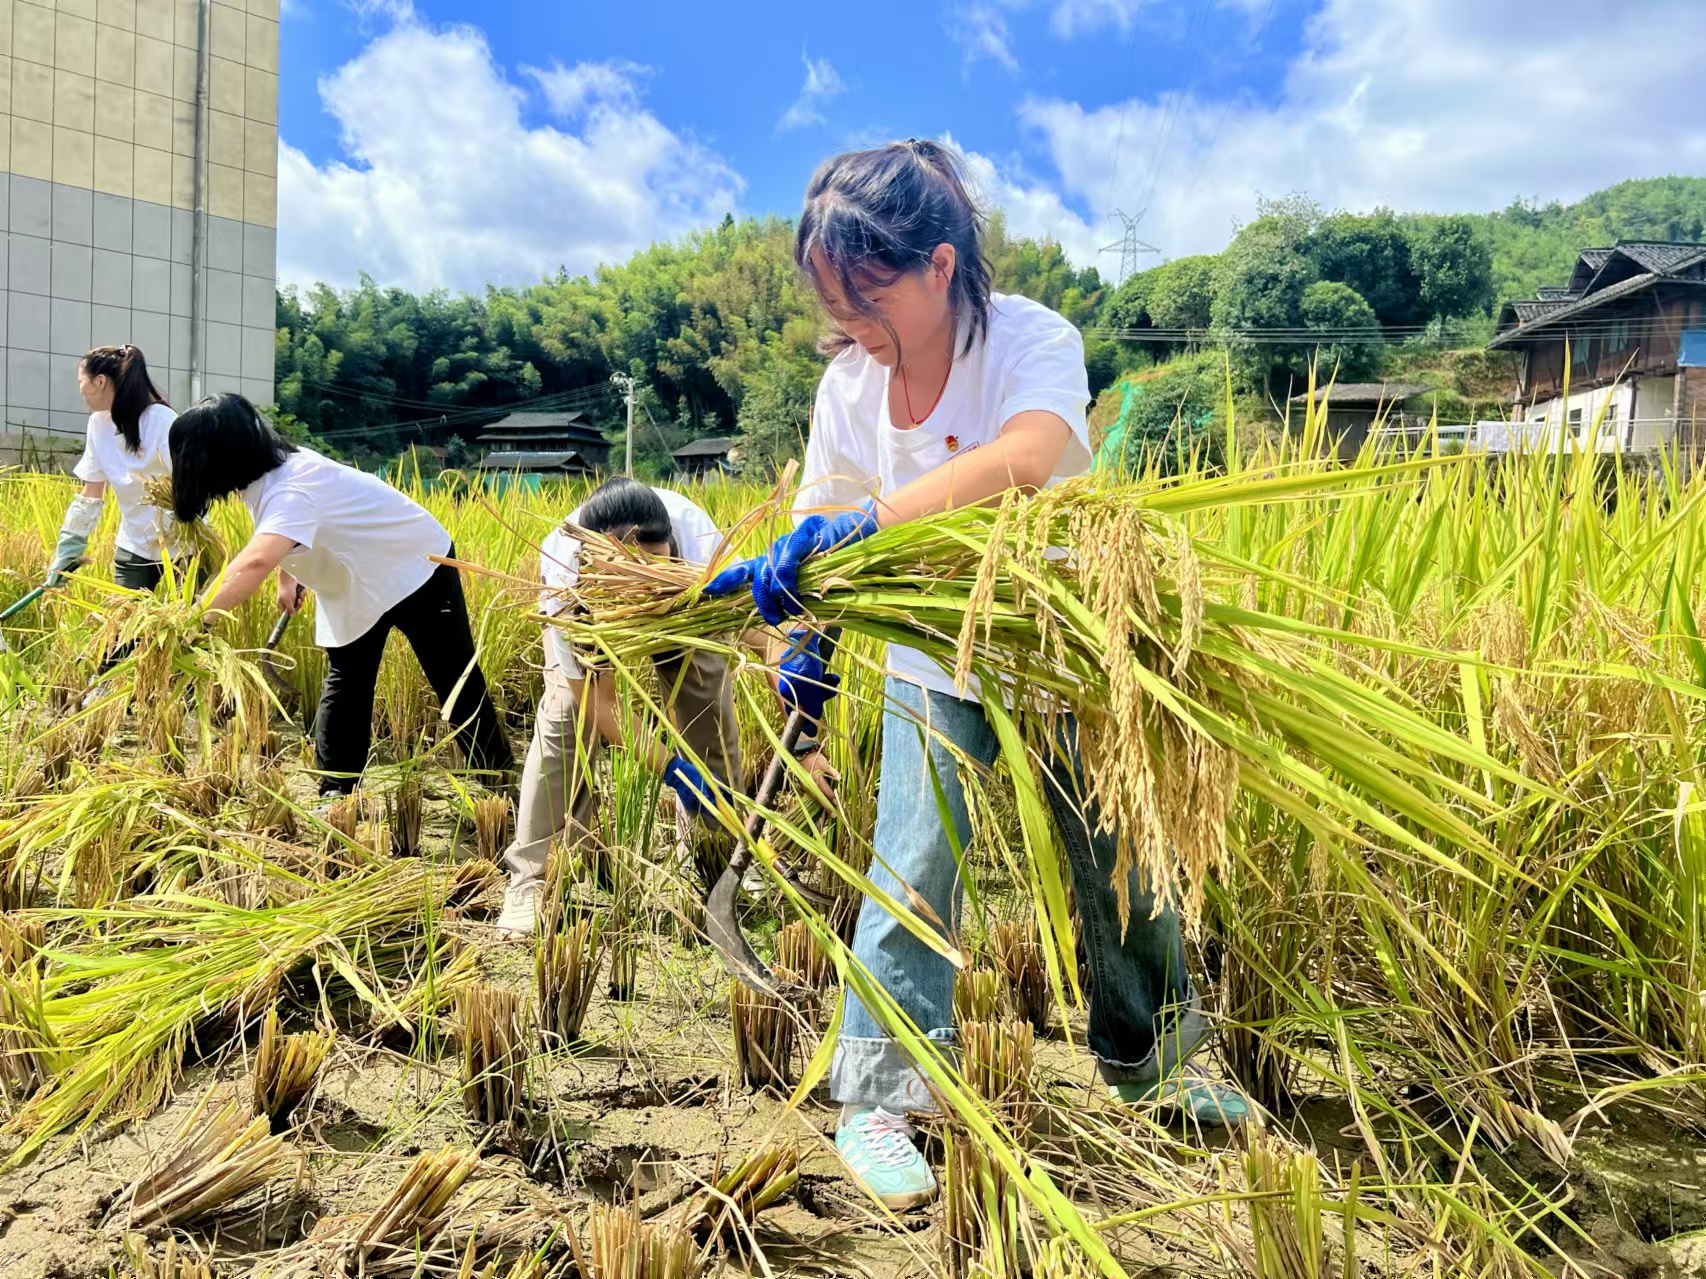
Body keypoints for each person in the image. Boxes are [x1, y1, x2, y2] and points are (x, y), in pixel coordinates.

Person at [706, 140, 1251, 1212]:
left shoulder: (1028, 341)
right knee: (910, 861)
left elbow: (1030, 452)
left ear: (940, 266)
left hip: (1052, 641)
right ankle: (878, 1094)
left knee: (1120, 858)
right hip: (928, 652)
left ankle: (1149, 1067)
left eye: (870, 294)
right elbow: (819, 514)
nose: (854, 321)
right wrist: (803, 635)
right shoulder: (847, 383)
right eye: (834, 299)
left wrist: (872, 519)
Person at [497, 476, 838, 938]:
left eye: (657, 567)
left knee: (705, 694)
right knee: (564, 716)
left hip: (689, 602)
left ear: (671, 549)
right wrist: (675, 770)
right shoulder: (567, 577)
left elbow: (765, 635)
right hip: (597, 617)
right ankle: (531, 879)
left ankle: (716, 853)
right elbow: (600, 704)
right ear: (599, 564)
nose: (649, 590)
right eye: (640, 579)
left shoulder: (697, 543)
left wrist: (803, 726)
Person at [168, 393, 514, 798]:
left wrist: (193, 623)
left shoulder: (292, 487)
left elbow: (253, 561)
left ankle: (498, 778)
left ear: (216, 459)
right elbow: (283, 536)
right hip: (354, 577)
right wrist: (289, 577)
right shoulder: (269, 477)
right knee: (348, 677)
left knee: (454, 676)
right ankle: (337, 791)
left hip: (417, 565)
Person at [48, 345, 176, 592]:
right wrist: (68, 550)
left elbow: (192, 483)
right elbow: (90, 494)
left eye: (80, 381)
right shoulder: (98, 425)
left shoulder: (163, 422)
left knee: (185, 627)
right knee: (124, 629)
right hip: (135, 545)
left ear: (99, 381)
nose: (80, 390)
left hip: (184, 547)